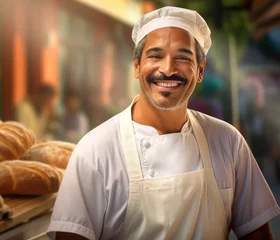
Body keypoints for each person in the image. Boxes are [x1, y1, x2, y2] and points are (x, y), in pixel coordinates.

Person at [47, 6, 280, 240]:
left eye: (183, 57)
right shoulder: (94, 151)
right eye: (155, 55)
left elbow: (257, 235)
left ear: (200, 70)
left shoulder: (228, 142)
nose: (168, 69)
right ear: (137, 66)